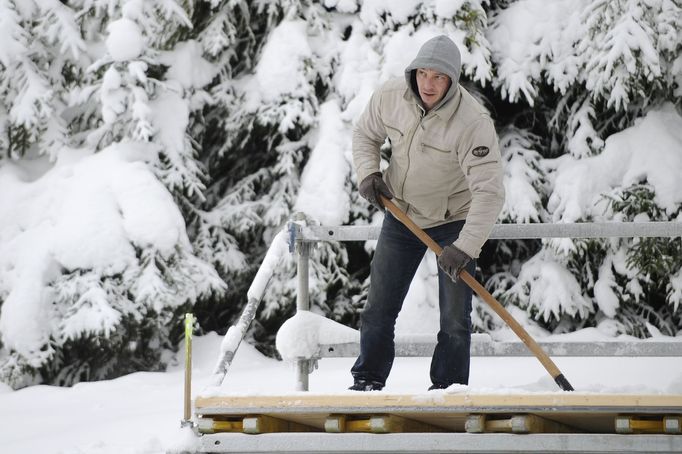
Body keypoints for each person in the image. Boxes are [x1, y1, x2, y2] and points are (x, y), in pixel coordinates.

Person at [350, 35, 505, 391]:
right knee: (379, 307)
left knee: (454, 318)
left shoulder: (472, 122)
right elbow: (364, 134)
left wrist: (464, 246)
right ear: (413, 72)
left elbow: (489, 192)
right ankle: (368, 380)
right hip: (402, 215)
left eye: (438, 77)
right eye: (423, 73)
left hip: (454, 221)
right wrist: (368, 173)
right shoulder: (391, 98)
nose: (428, 84)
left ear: (452, 80)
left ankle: (448, 389)